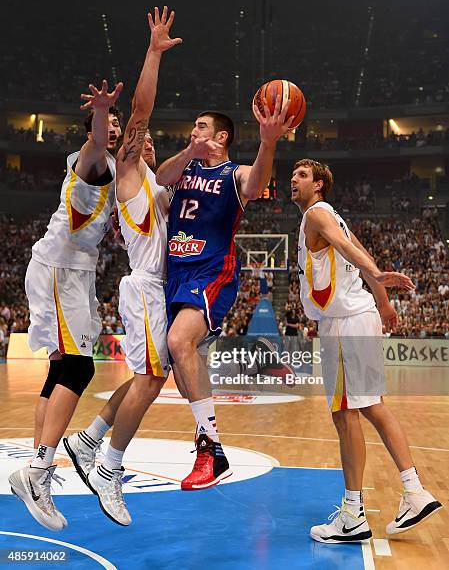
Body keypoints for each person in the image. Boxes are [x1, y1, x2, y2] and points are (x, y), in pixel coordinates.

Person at [62, 6, 181, 526]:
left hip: (156, 290)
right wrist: (153, 53)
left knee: (146, 377)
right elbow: (142, 111)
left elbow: (175, 171)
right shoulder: (130, 171)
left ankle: (87, 440)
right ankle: (109, 467)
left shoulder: (154, 181)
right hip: (146, 287)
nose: (144, 139)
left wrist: (196, 155)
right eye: (139, 138)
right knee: (152, 381)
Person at [291, 158, 442, 544]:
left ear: (320, 185)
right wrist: (383, 298)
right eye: (293, 174)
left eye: (303, 175)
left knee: (345, 415)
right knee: (373, 406)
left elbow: (345, 246)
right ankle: (414, 491)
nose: (294, 179)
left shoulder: (317, 214)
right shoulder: (333, 216)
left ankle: (353, 514)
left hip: (344, 325)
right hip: (359, 315)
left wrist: (377, 280)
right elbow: (357, 249)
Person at [156, 96, 293, 489]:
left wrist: (269, 142)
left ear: (221, 135)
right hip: (176, 275)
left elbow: (257, 183)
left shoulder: (234, 173)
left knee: (178, 339)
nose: (193, 131)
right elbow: (163, 177)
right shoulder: (185, 168)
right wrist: (188, 151)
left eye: (200, 127)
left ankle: (211, 451)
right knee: (185, 373)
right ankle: (209, 443)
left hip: (213, 271)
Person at [8, 78, 123, 531]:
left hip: (69, 270)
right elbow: (96, 141)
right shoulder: (92, 160)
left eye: (117, 122)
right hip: (62, 269)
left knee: (60, 370)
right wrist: (101, 113)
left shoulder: (111, 165)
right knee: (79, 369)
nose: (113, 128)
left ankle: (36, 473)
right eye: (108, 123)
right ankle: (39, 471)